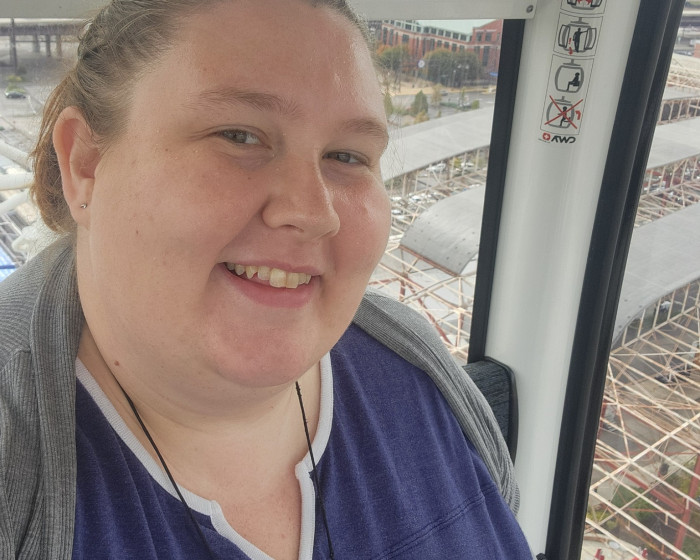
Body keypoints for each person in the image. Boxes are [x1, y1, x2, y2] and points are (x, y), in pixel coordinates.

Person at [0, 0, 533, 558]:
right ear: (85, 163)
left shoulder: (417, 369)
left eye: (347, 156)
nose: (313, 212)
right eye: (239, 135)